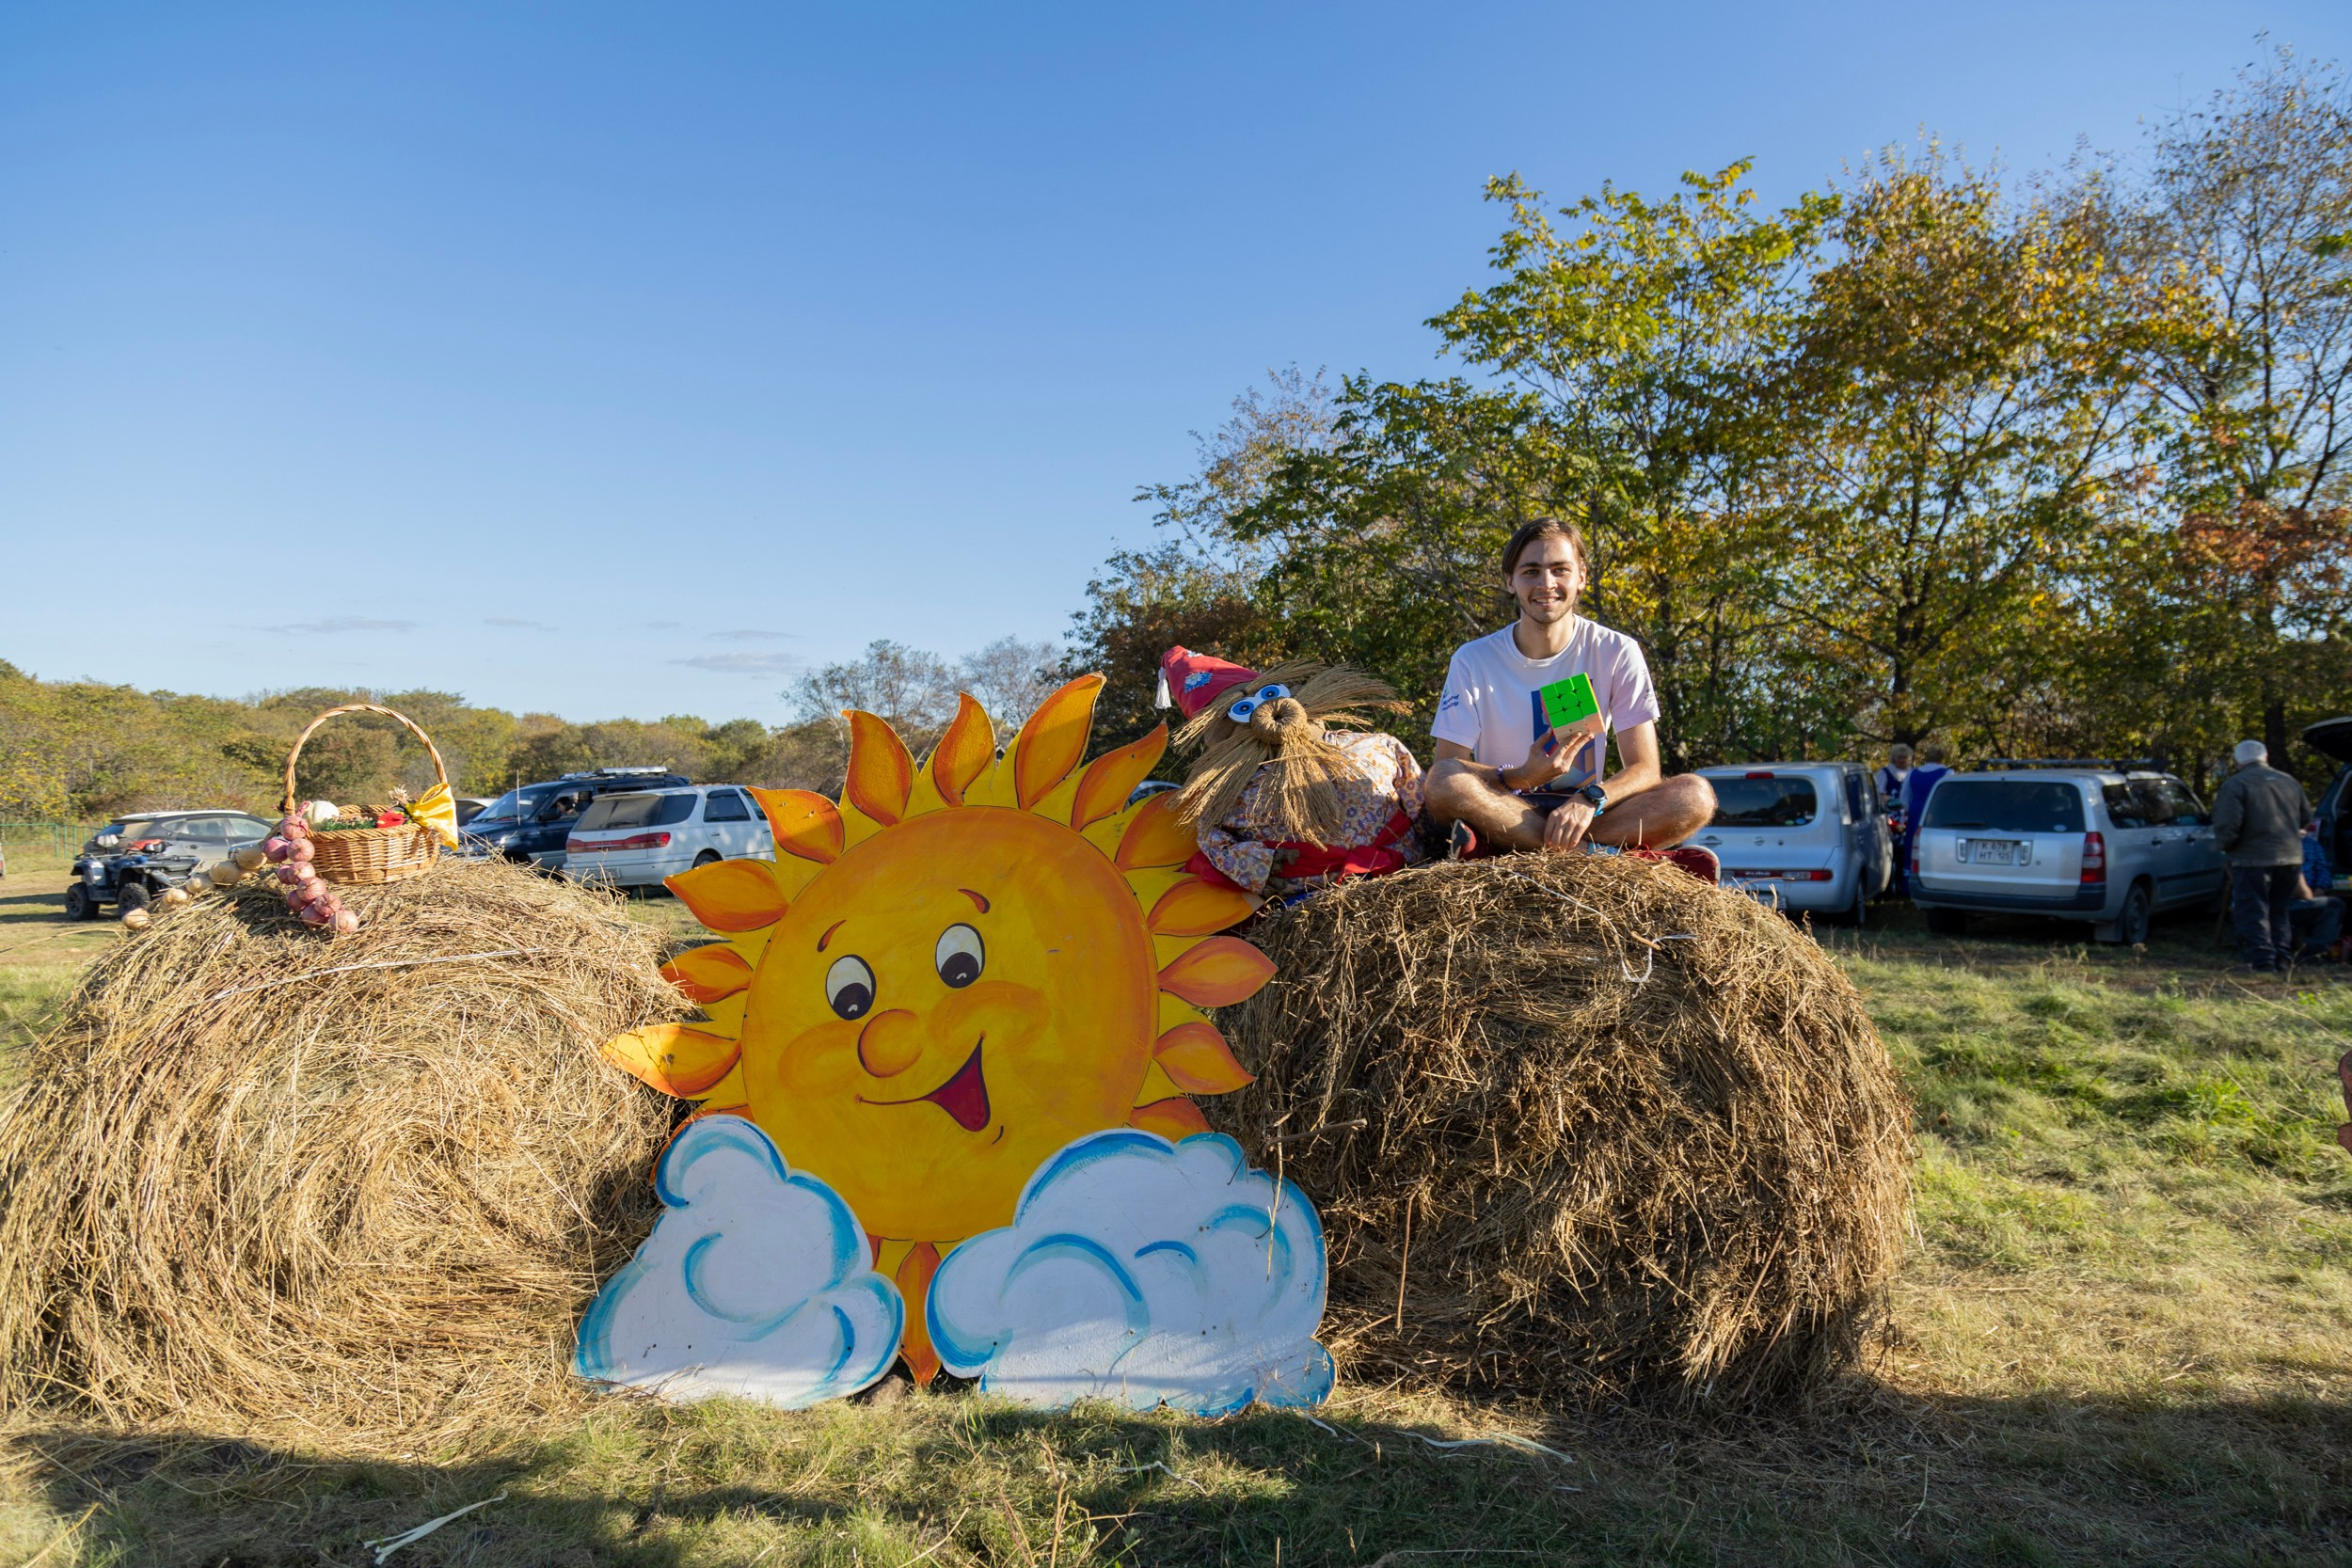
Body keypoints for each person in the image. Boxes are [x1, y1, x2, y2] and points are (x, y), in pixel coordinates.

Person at [1421, 517, 1716, 872]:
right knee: (1442, 783)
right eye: (1531, 571)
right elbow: (1447, 767)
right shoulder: (1473, 658)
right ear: (1510, 581)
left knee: (1695, 795)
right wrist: (1521, 775)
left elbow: (1645, 769)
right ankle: (1597, 856)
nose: (1546, 583)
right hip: (1504, 808)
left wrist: (1591, 798)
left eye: (1560, 570)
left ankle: (1531, 847)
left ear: (1582, 578)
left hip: (1586, 815)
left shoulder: (1617, 651)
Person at [1156, 647, 1426, 901]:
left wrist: (1438, 841)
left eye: (1271, 695)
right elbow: (1213, 839)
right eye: (1242, 710)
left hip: (1410, 876)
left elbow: (1423, 804)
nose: (1266, 713)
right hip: (1311, 904)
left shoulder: (1375, 746)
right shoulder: (1225, 794)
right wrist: (1261, 863)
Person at [2213, 738, 2316, 973]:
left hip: (2252, 859)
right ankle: (2283, 959)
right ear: (2265, 757)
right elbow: (2306, 818)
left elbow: (2229, 824)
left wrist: (2224, 847)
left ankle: (2263, 961)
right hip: (2290, 857)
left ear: (2238, 761)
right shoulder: (2289, 781)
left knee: (2253, 910)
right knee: (2279, 909)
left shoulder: (2236, 784)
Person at [2289, 821, 2344, 962]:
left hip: (2307, 897)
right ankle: (2313, 954)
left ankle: (2316, 954)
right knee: (2334, 906)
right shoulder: (2280, 845)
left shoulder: (2311, 844)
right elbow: (2296, 882)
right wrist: (2307, 895)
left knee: (2333, 905)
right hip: (2284, 901)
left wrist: (2319, 891)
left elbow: (2323, 870)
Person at [1898, 742, 1952, 885]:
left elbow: (1904, 798)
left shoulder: (1913, 773)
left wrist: (1910, 810)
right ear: (1942, 757)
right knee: (1934, 845)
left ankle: (1909, 881)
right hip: (1936, 813)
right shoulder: (1947, 773)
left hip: (1916, 812)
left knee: (1914, 845)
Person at [1877, 743, 1915, 893]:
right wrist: (1894, 802)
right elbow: (1881, 793)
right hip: (1891, 814)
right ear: (1894, 758)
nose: (1902, 760)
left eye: (1905, 757)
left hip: (1908, 815)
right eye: (1899, 757)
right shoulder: (1885, 772)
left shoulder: (1913, 773)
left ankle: (1906, 882)